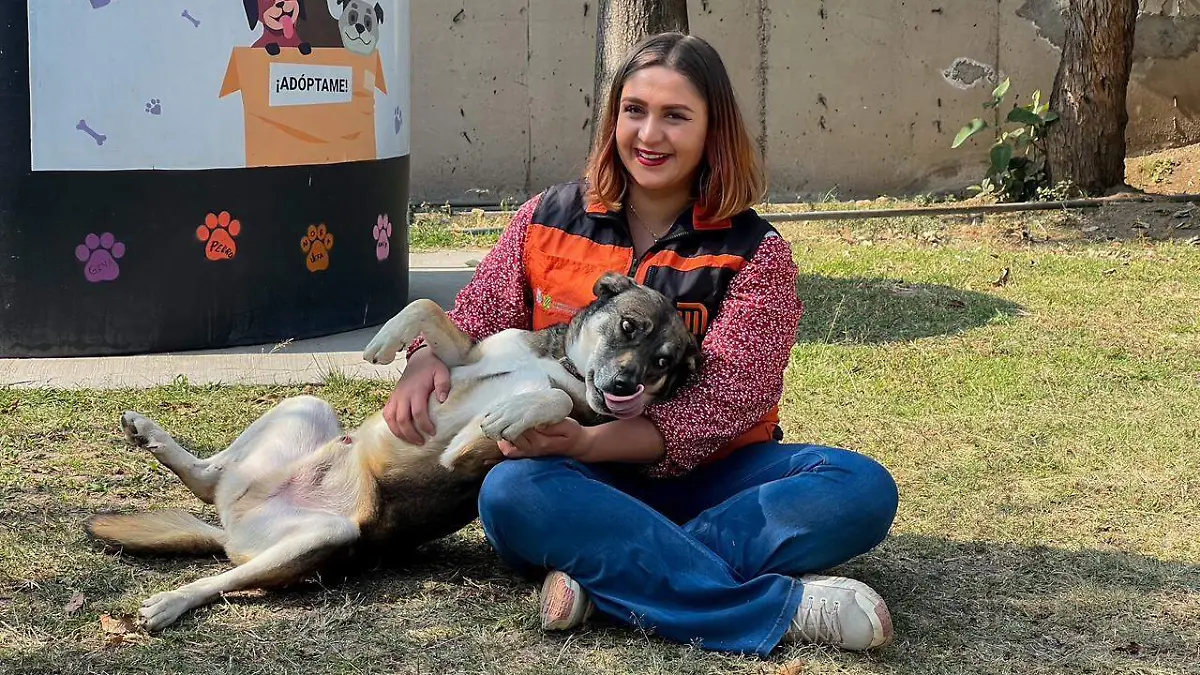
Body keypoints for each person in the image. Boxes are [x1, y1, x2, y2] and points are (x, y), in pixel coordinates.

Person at [383, 31, 899, 657]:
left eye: (676, 116)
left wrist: (590, 437)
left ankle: (612, 574)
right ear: (614, 118)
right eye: (635, 111)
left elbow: (723, 407)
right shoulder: (547, 216)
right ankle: (770, 608)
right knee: (508, 494)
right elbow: (476, 320)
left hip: (715, 478)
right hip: (571, 481)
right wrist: (423, 360)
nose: (649, 135)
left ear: (714, 131)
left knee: (858, 485)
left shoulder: (757, 253)